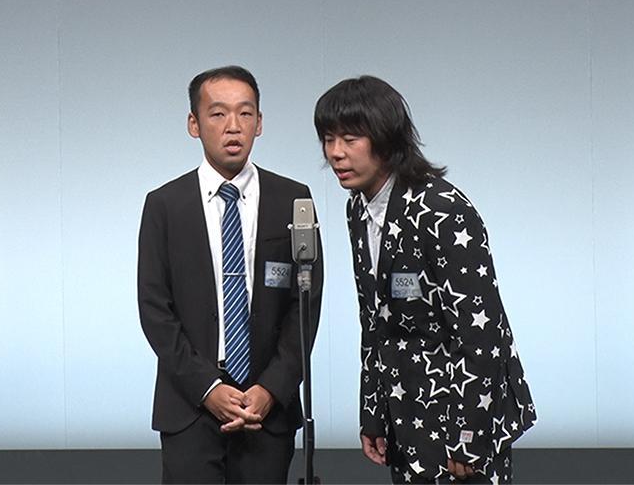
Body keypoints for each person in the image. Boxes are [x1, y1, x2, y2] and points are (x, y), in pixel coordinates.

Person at [314, 76, 535, 484]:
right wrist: (373, 411)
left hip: (463, 416)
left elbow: (481, 332)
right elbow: (374, 321)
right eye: (329, 140)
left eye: (350, 139)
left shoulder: (441, 209)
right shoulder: (357, 208)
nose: (336, 153)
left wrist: (468, 436)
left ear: (386, 139)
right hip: (408, 413)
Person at [138, 65, 323, 484]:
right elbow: (155, 309)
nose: (233, 126)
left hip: (266, 410)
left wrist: (271, 388)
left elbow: (305, 305)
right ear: (194, 124)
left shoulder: (293, 199)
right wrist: (208, 388)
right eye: (218, 114)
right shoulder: (164, 205)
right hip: (189, 406)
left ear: (260, 122)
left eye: (245, 113)